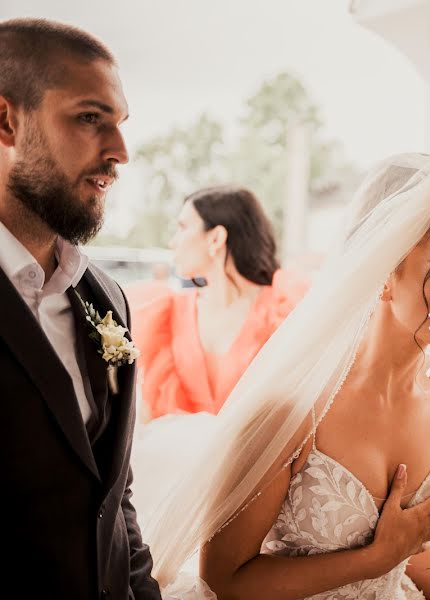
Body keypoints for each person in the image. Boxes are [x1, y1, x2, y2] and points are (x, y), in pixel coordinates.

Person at [145, 153, 430, 599]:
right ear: (382, 274)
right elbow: (224, 580)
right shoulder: (294, 409)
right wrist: (376, 558)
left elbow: (409, 548)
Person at [0, 18, 160, 599]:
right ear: (7, 121)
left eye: (118, 125)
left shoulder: (106, 298)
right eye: (90, 119)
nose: (119, 152)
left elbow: (113, 499)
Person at [129, 185, 308, 420]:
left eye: (182, 227)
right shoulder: (167, 314)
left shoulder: (286, 309)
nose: (173, 242)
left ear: (216, 237)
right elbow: (151, 416)